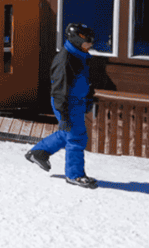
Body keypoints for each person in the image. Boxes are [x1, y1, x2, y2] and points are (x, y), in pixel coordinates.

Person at [25, 23, 98, 188]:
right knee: (76, 137)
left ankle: (39, 152)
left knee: (67, 133)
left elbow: (85, 82)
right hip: (66, 103)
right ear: (77, 40)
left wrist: (87, 99)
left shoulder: (80, 55)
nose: (91, 44)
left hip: (76, 102)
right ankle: (75, 175)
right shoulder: (65, 60)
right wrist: (63, 114)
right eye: (88, 41)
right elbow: (59, 90)